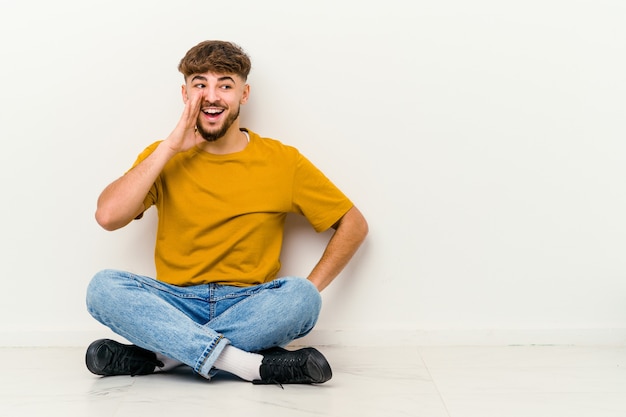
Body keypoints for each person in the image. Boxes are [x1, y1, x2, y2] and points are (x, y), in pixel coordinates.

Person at [84, 40, 368, 385]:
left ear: (244, 94)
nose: (212, 95)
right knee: (103, 288)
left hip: (248, 303)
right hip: (176, 301)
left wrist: (312, 285)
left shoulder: (283, 161)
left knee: (303, 297)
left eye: (225, 85)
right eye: (200, 84)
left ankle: (163, 356)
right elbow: (108, 216)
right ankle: (250, 365)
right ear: (185, 94)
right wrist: (170, 147)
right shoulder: (162, 156)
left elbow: (353, 224)